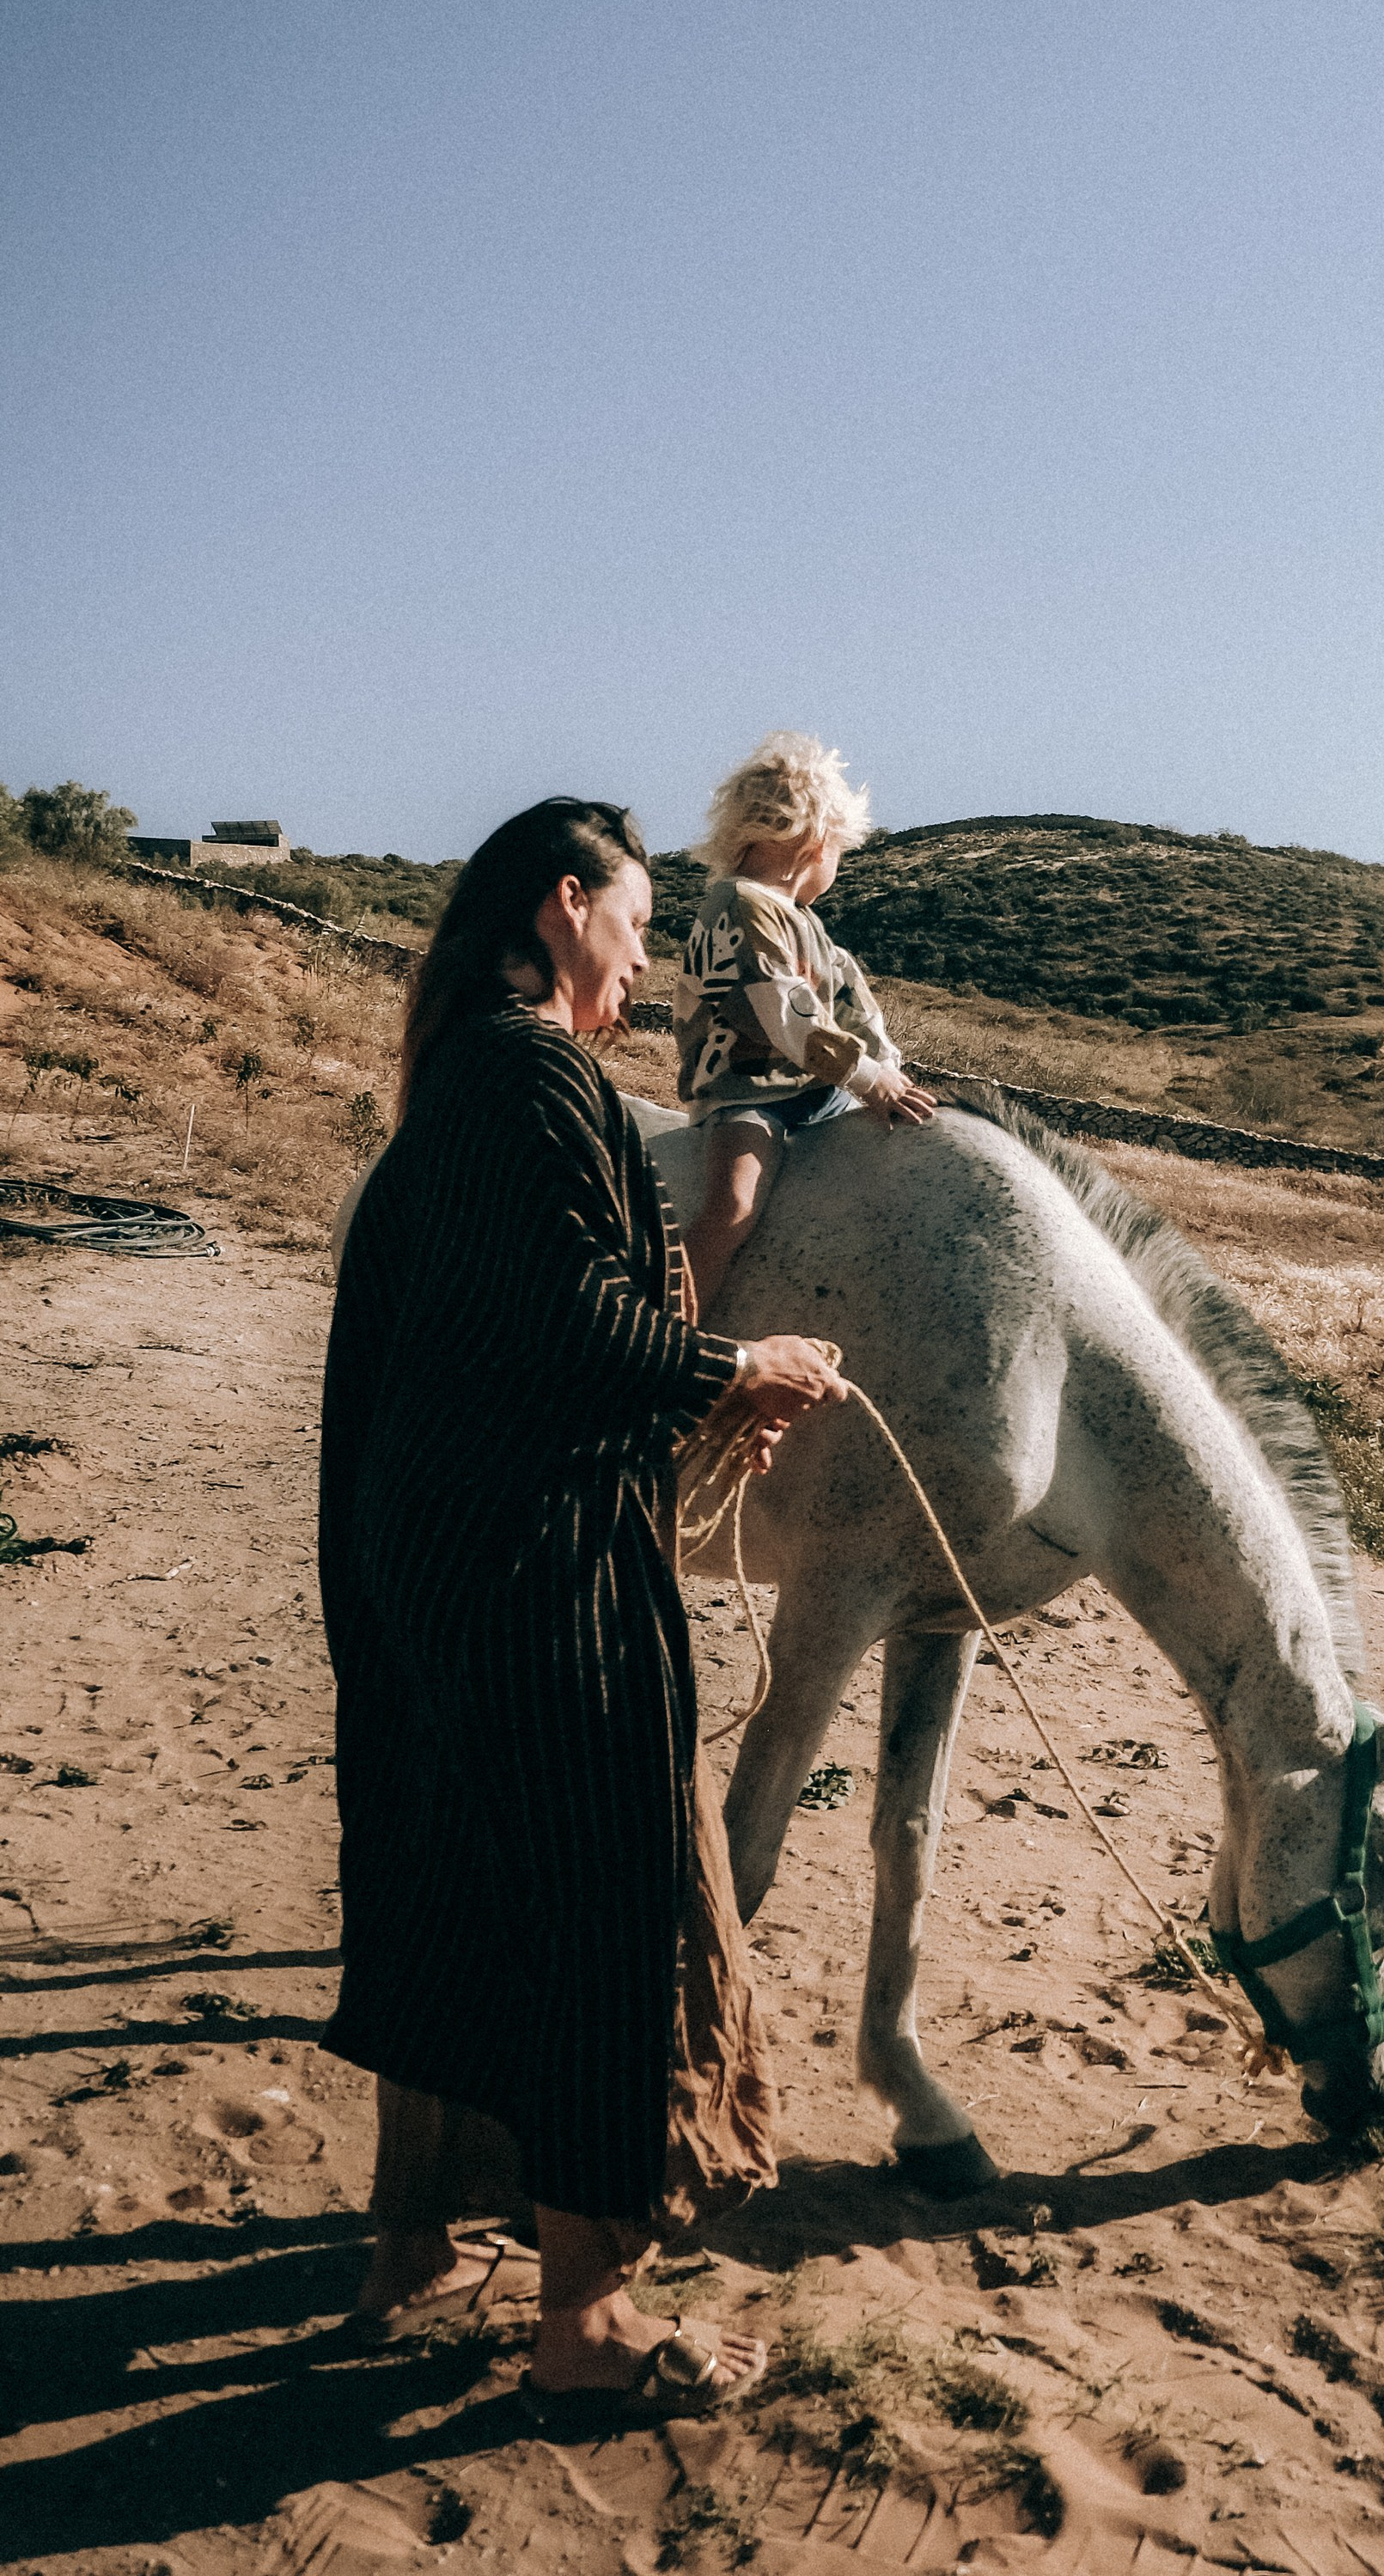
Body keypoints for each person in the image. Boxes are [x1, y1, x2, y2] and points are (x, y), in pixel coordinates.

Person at [319, 797, 845, 2426]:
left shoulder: (471, 1072)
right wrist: (735, 1367)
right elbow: (568, 1333)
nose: (645, 959)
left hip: (449, 1560)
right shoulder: (527, 1074)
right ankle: (589, 2325)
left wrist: (683, 1379)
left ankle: (414, 2242)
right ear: (564, 907)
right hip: (532, 1574)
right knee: (595, 1902)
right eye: (627, 922)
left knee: (468, 1875)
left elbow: (502, 1339)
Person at [673, 733, 936, 1313]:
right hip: (747, 1091)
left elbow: (855, 1006)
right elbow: (784, 1010)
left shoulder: (808, 925)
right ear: (818, 841)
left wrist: (889, 1070)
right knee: (733, 1209)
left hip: (818, 1089)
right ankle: (669, 1338)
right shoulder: (739, 905)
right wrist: (869, 1079)